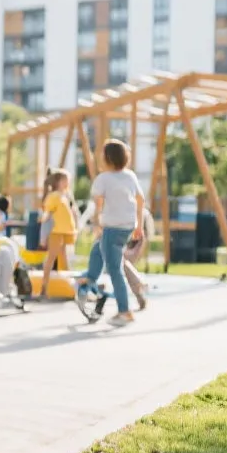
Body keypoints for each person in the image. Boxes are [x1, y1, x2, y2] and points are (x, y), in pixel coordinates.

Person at [76, 139, 145, 327]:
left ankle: (125, 311)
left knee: (115, 270)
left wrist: (98, 224)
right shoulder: (130, 176)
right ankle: (90, 275)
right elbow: (140, 200)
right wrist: (140, 225)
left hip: (112, 227)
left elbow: (98, 204)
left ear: (107, 158)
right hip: (127, 227)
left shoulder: (103, 179)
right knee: (98, 248)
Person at [39, 168, 77, 300]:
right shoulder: (54, 196)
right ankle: (44, 287)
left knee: (65, 259)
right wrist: (43, 230)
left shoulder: (64, 196)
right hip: (56, 231)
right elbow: (47, 212)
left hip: (66, 231)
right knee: (51, 258)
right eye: (65, 180)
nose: (68, 183)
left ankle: (71, 288)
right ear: (58, 182)